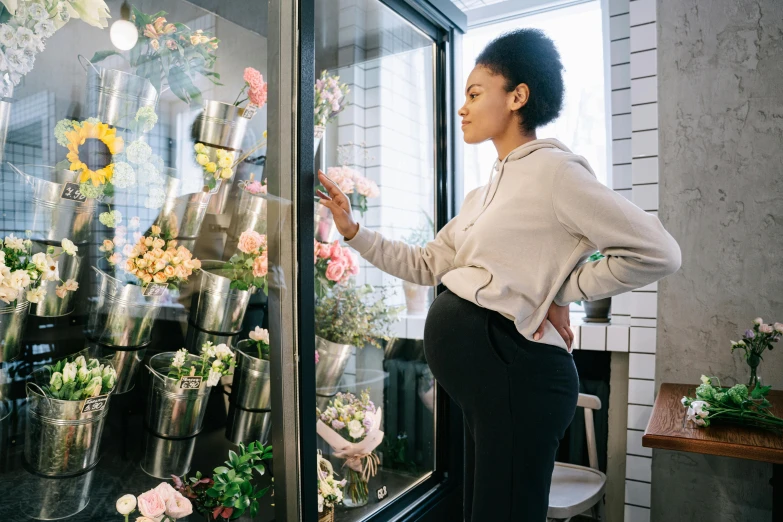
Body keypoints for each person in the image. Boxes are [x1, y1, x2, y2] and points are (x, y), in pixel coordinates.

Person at [317, 28, 681, 522]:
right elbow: (426, 264)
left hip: (520, 375)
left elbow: (657, 251)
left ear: (517, 96)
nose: (462, 108)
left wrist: (563, 288)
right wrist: (353, 230)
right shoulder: (479, 198)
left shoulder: (555, 172)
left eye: (474, 93)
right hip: (490, 383)